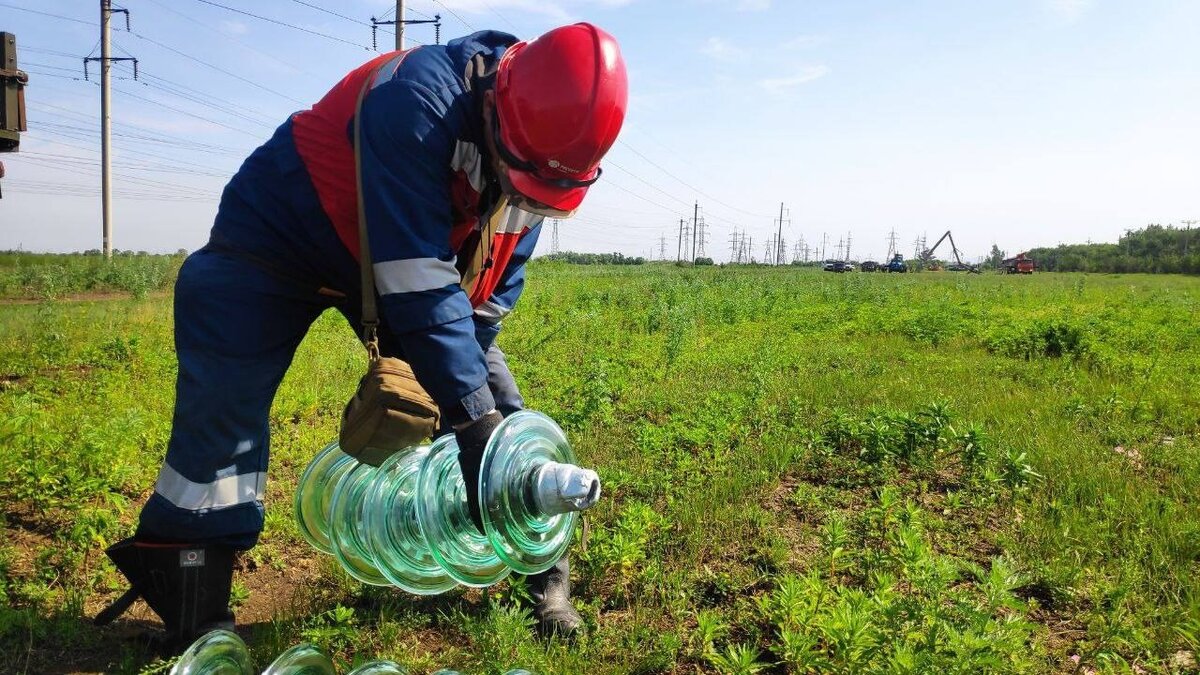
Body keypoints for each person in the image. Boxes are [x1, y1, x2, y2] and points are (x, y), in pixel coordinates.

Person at [95, 23, 627, 650]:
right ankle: (191, 590)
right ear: (496, 104)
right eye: (521, 181)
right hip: (277, 241)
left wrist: (485, 422)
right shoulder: (415, 99)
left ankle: (544, 577)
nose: (524, 199)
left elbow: (477, 305)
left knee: (497, 411)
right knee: (224, 417)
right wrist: (470, 422)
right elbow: (418, 283)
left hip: (403, 265)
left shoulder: (540, 164)